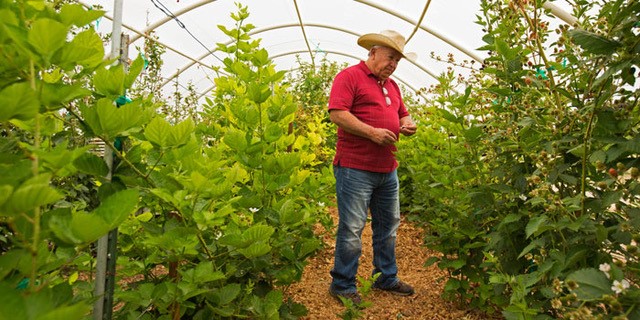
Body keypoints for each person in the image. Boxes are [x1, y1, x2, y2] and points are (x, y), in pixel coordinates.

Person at [327, 30, 418, 306]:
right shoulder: (349, 77)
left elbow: (403, 112)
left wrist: (408, 124)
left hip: (387, 169)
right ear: (373, 53)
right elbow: (337, 113)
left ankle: (385, 277)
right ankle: (342, 284)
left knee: (388, 225)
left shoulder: (392, 86)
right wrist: (372, 132)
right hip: (355, 168)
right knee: (353, 228)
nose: (393, 64)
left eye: (397, 61)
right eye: (390, 57)